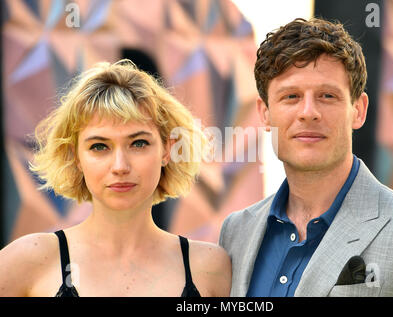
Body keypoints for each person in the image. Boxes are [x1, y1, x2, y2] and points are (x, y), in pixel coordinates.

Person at [219, 17, 393, 297]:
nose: (308, 112)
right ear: (264, 113)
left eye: (327, 96)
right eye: (291, 96)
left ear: (359, 110)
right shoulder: (236, 232)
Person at [0, 59, 231, 297]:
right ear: (75, 156)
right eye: (100, 146)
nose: (120, 166)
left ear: (167, 150)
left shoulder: (209, 268)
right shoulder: (30, 260)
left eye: (138, 143)